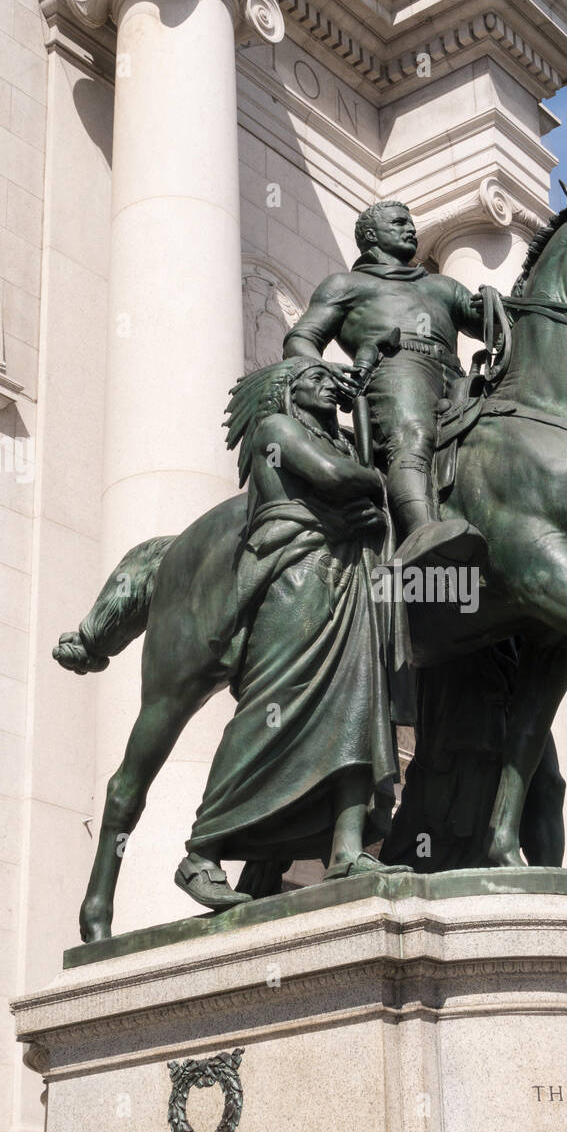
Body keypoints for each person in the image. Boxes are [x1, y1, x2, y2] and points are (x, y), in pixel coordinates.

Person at [174, 358, 411, 912]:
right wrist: (388, 479)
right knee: (270, 707)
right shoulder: (277, 431)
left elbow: (350, 483)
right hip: (296, 577)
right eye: (315, 379)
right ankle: (201, 853)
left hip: (349, 578)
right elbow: (333, 479)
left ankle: (347, 849)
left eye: (333, 379)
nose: (329, 384)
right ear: (287, 391)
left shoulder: (340, 441)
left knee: (360, 709)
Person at [282, 200, 487, 566]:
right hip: (395, 369)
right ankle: (422, 531)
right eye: (399, 223)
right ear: (371, 236)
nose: (411, 229)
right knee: (412, 436)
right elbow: (301, 339)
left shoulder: (442, 286)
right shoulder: (346, 284)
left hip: (453, 374)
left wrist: (495, 306)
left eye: (411, 223)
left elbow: (486, 322)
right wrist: (324, 372)